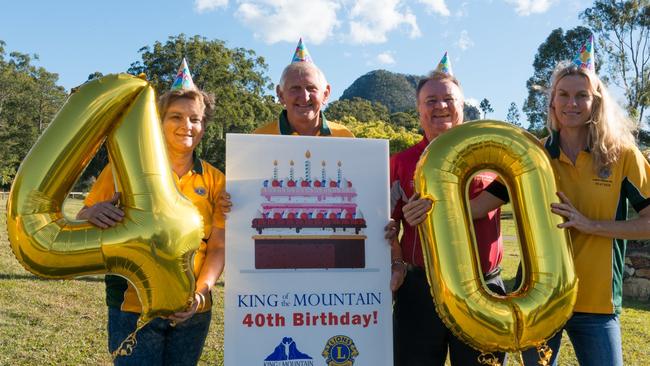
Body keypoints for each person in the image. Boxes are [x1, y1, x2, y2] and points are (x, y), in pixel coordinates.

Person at [77, 59, 226, 365]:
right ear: (158, 122)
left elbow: (219, 246)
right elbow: (83, 214)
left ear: (204, 126)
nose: (187, 126)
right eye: (176, 116)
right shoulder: (125, 168)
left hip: (193, 312)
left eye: (195, 119)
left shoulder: (215, 179)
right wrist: (92, 214)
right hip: (132, 309)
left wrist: (199, 295)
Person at [390, 53, 507, 366]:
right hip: (420, 289)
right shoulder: (400, 163)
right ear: (418, 109)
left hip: (483, 287)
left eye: (447, 99)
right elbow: (385, 227)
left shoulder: (493, 153)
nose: (439, 106)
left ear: (462, 105)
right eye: (430, 100)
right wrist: (397, 261)